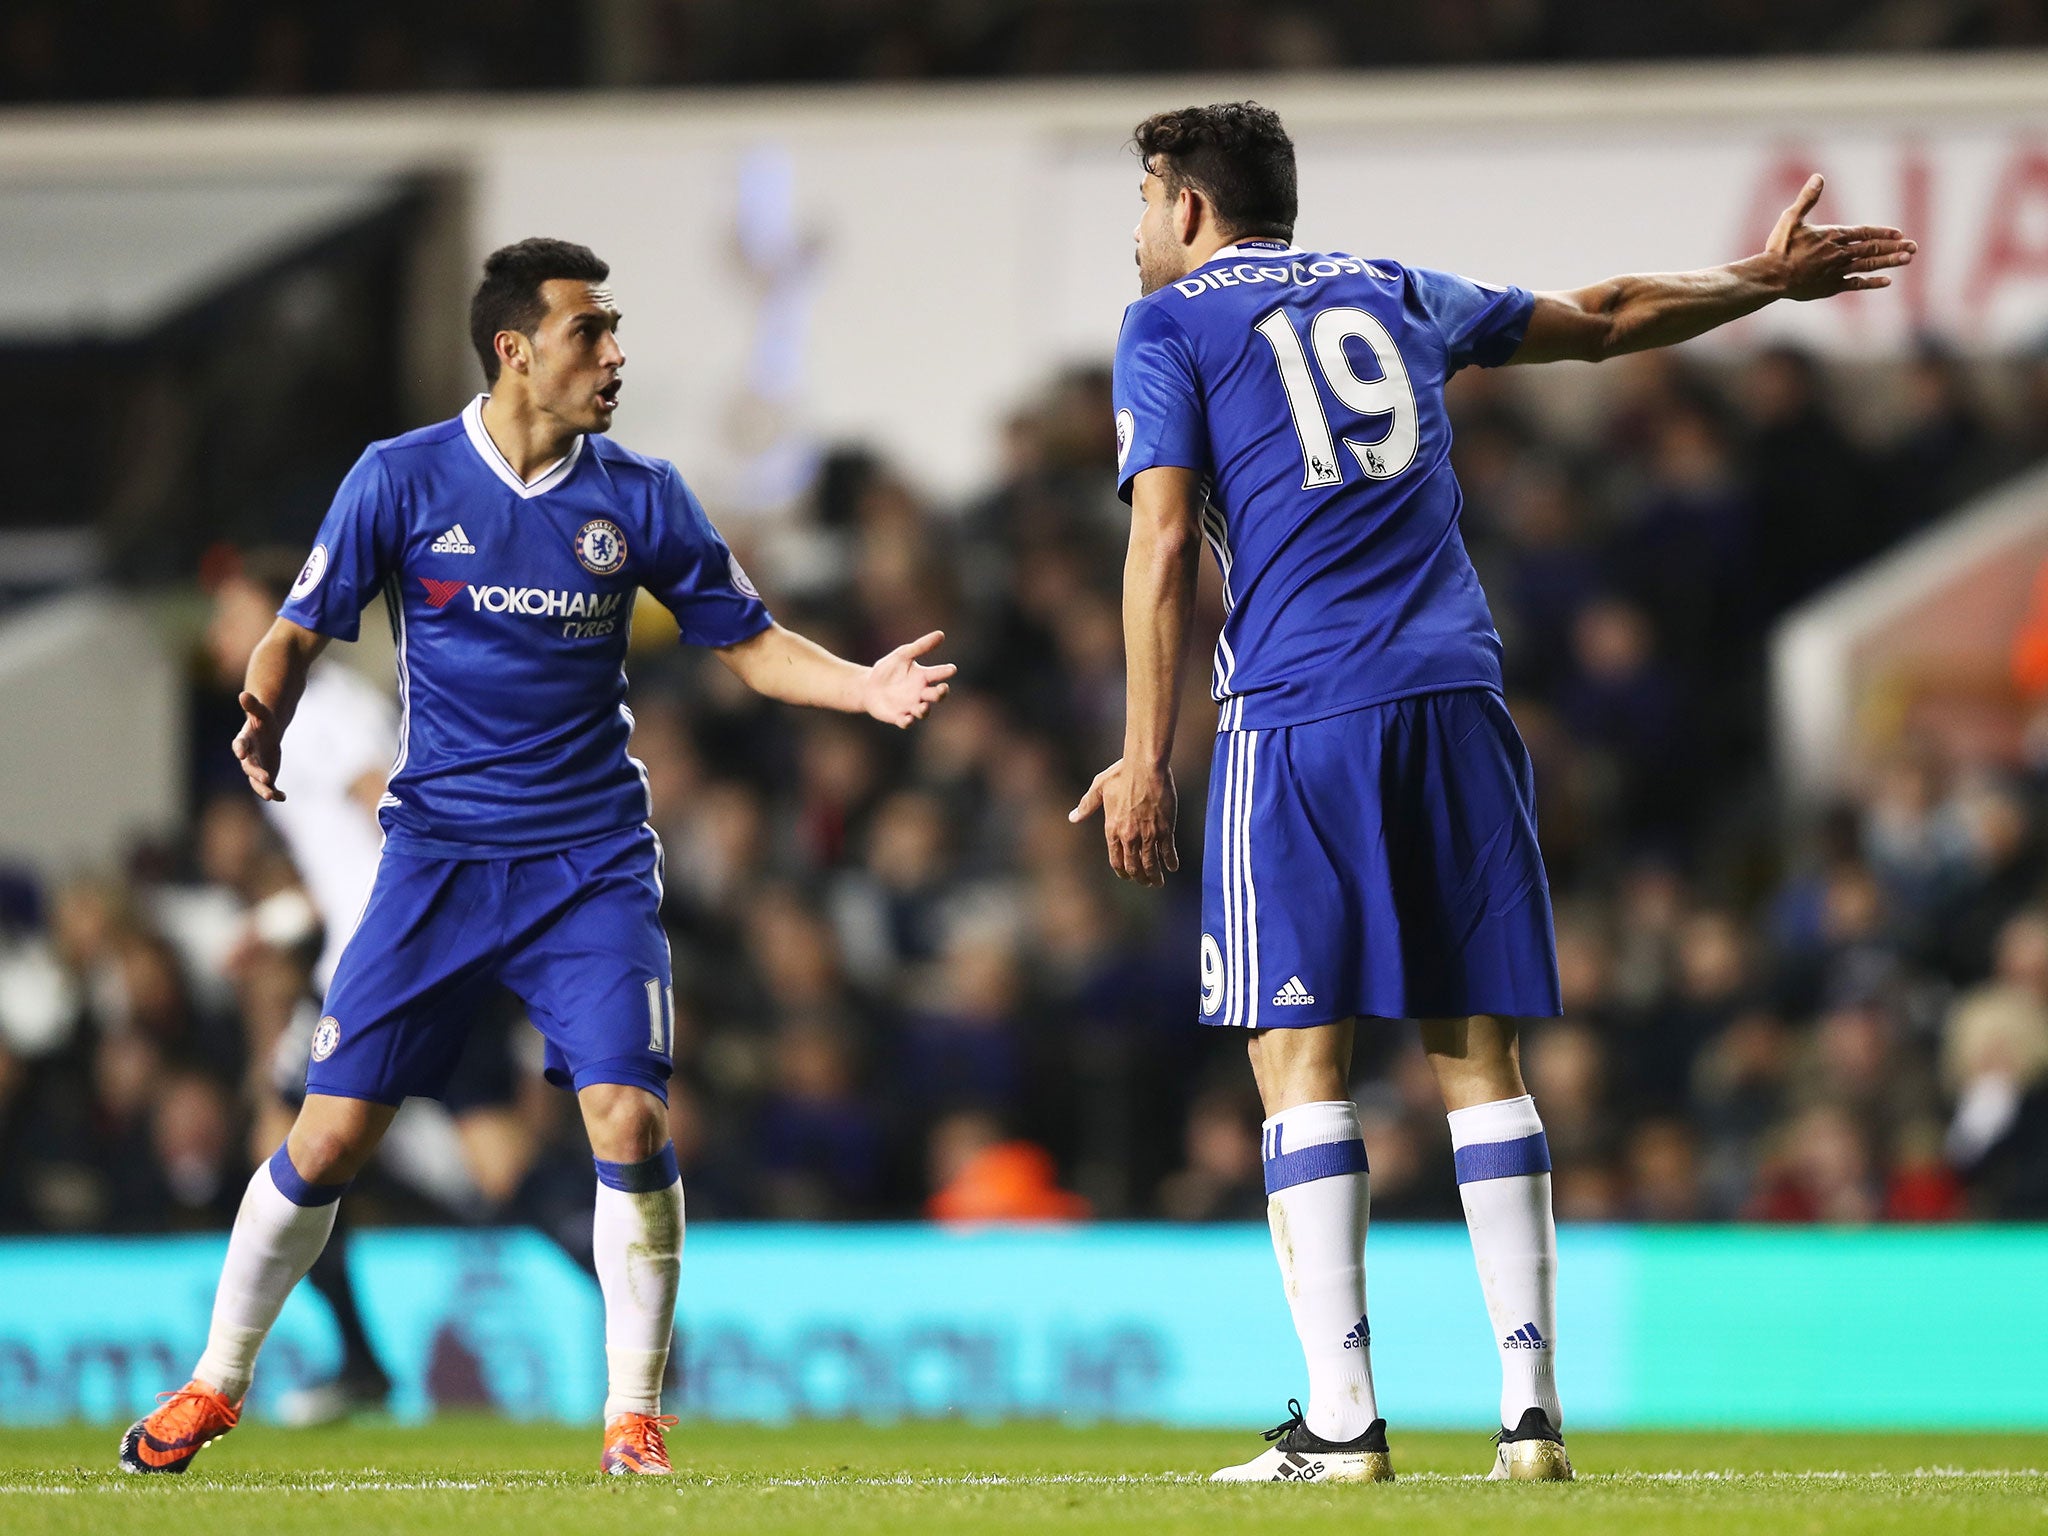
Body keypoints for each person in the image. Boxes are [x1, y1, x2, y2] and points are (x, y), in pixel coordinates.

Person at [1070, 101, 1912, 1483]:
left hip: (1300, 714)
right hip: (1459, 697)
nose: (1140, 228)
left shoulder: (1167, 327)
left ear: (1192, 210)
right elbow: (1605, 313)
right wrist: (1762, 282)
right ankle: (1531, 1421)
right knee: (1479, 1057)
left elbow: (1162, 541)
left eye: (1148, 200)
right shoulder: (1394, 288)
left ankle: (1342, 1426)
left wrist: (1143, 754)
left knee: (1299, 1059)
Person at [122, 238, 954, 1478]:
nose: (614, 354)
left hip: (589, 861)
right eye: (589, 331)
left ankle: (633, 1420)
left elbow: (752, 639)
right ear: (515, 349)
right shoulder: (399, 479)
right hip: (439, 861)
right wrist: (265, 705)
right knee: (327, 1140)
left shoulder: (641, 494)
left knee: (624, 1113)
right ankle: (214, 1382)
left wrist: (860, 689)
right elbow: (298, 624)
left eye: (613, 330)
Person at [204, 550, 543, 1425]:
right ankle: (359, 1361)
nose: (220, 633)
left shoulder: (326, 714)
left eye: (235, 613)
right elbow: (344, 867)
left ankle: (357, 1362)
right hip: (388, 961)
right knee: (309, 1148)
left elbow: (399, 817)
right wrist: (277, 926)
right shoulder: (303, 715)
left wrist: (428, 945)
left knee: (305, 1156)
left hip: (390, 970)